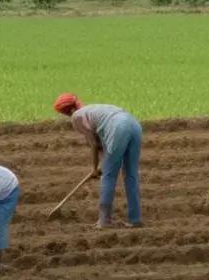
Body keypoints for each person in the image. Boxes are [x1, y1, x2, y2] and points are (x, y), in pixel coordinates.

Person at [53, 93, 143, 229]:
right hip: (134, 124)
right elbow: (102, 143)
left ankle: (104, 220)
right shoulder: (93, 110)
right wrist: (102, 162)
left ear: (68, 110)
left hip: (118, 127)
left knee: (108, 176)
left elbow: (94, 144)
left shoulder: (76, 117)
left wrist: (95, 168)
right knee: (131, 174)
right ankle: (135, 219)